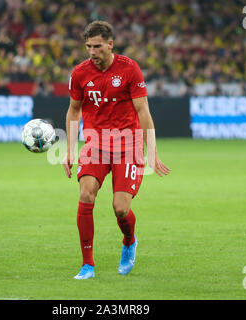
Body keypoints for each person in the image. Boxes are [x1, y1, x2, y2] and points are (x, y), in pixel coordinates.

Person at [63, 21, 170, 280]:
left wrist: (152, 151)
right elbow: (74, 111)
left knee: (120, 208)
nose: (92, 51)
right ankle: (87, 264)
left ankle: (129, 240)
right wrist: (69, 149)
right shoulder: (79, 73)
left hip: (128, 145)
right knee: (86, 195)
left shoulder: (129, 69)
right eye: (88, 46)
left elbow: (143, 111)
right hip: (96, 144)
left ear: (110, 45)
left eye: (97, 46)